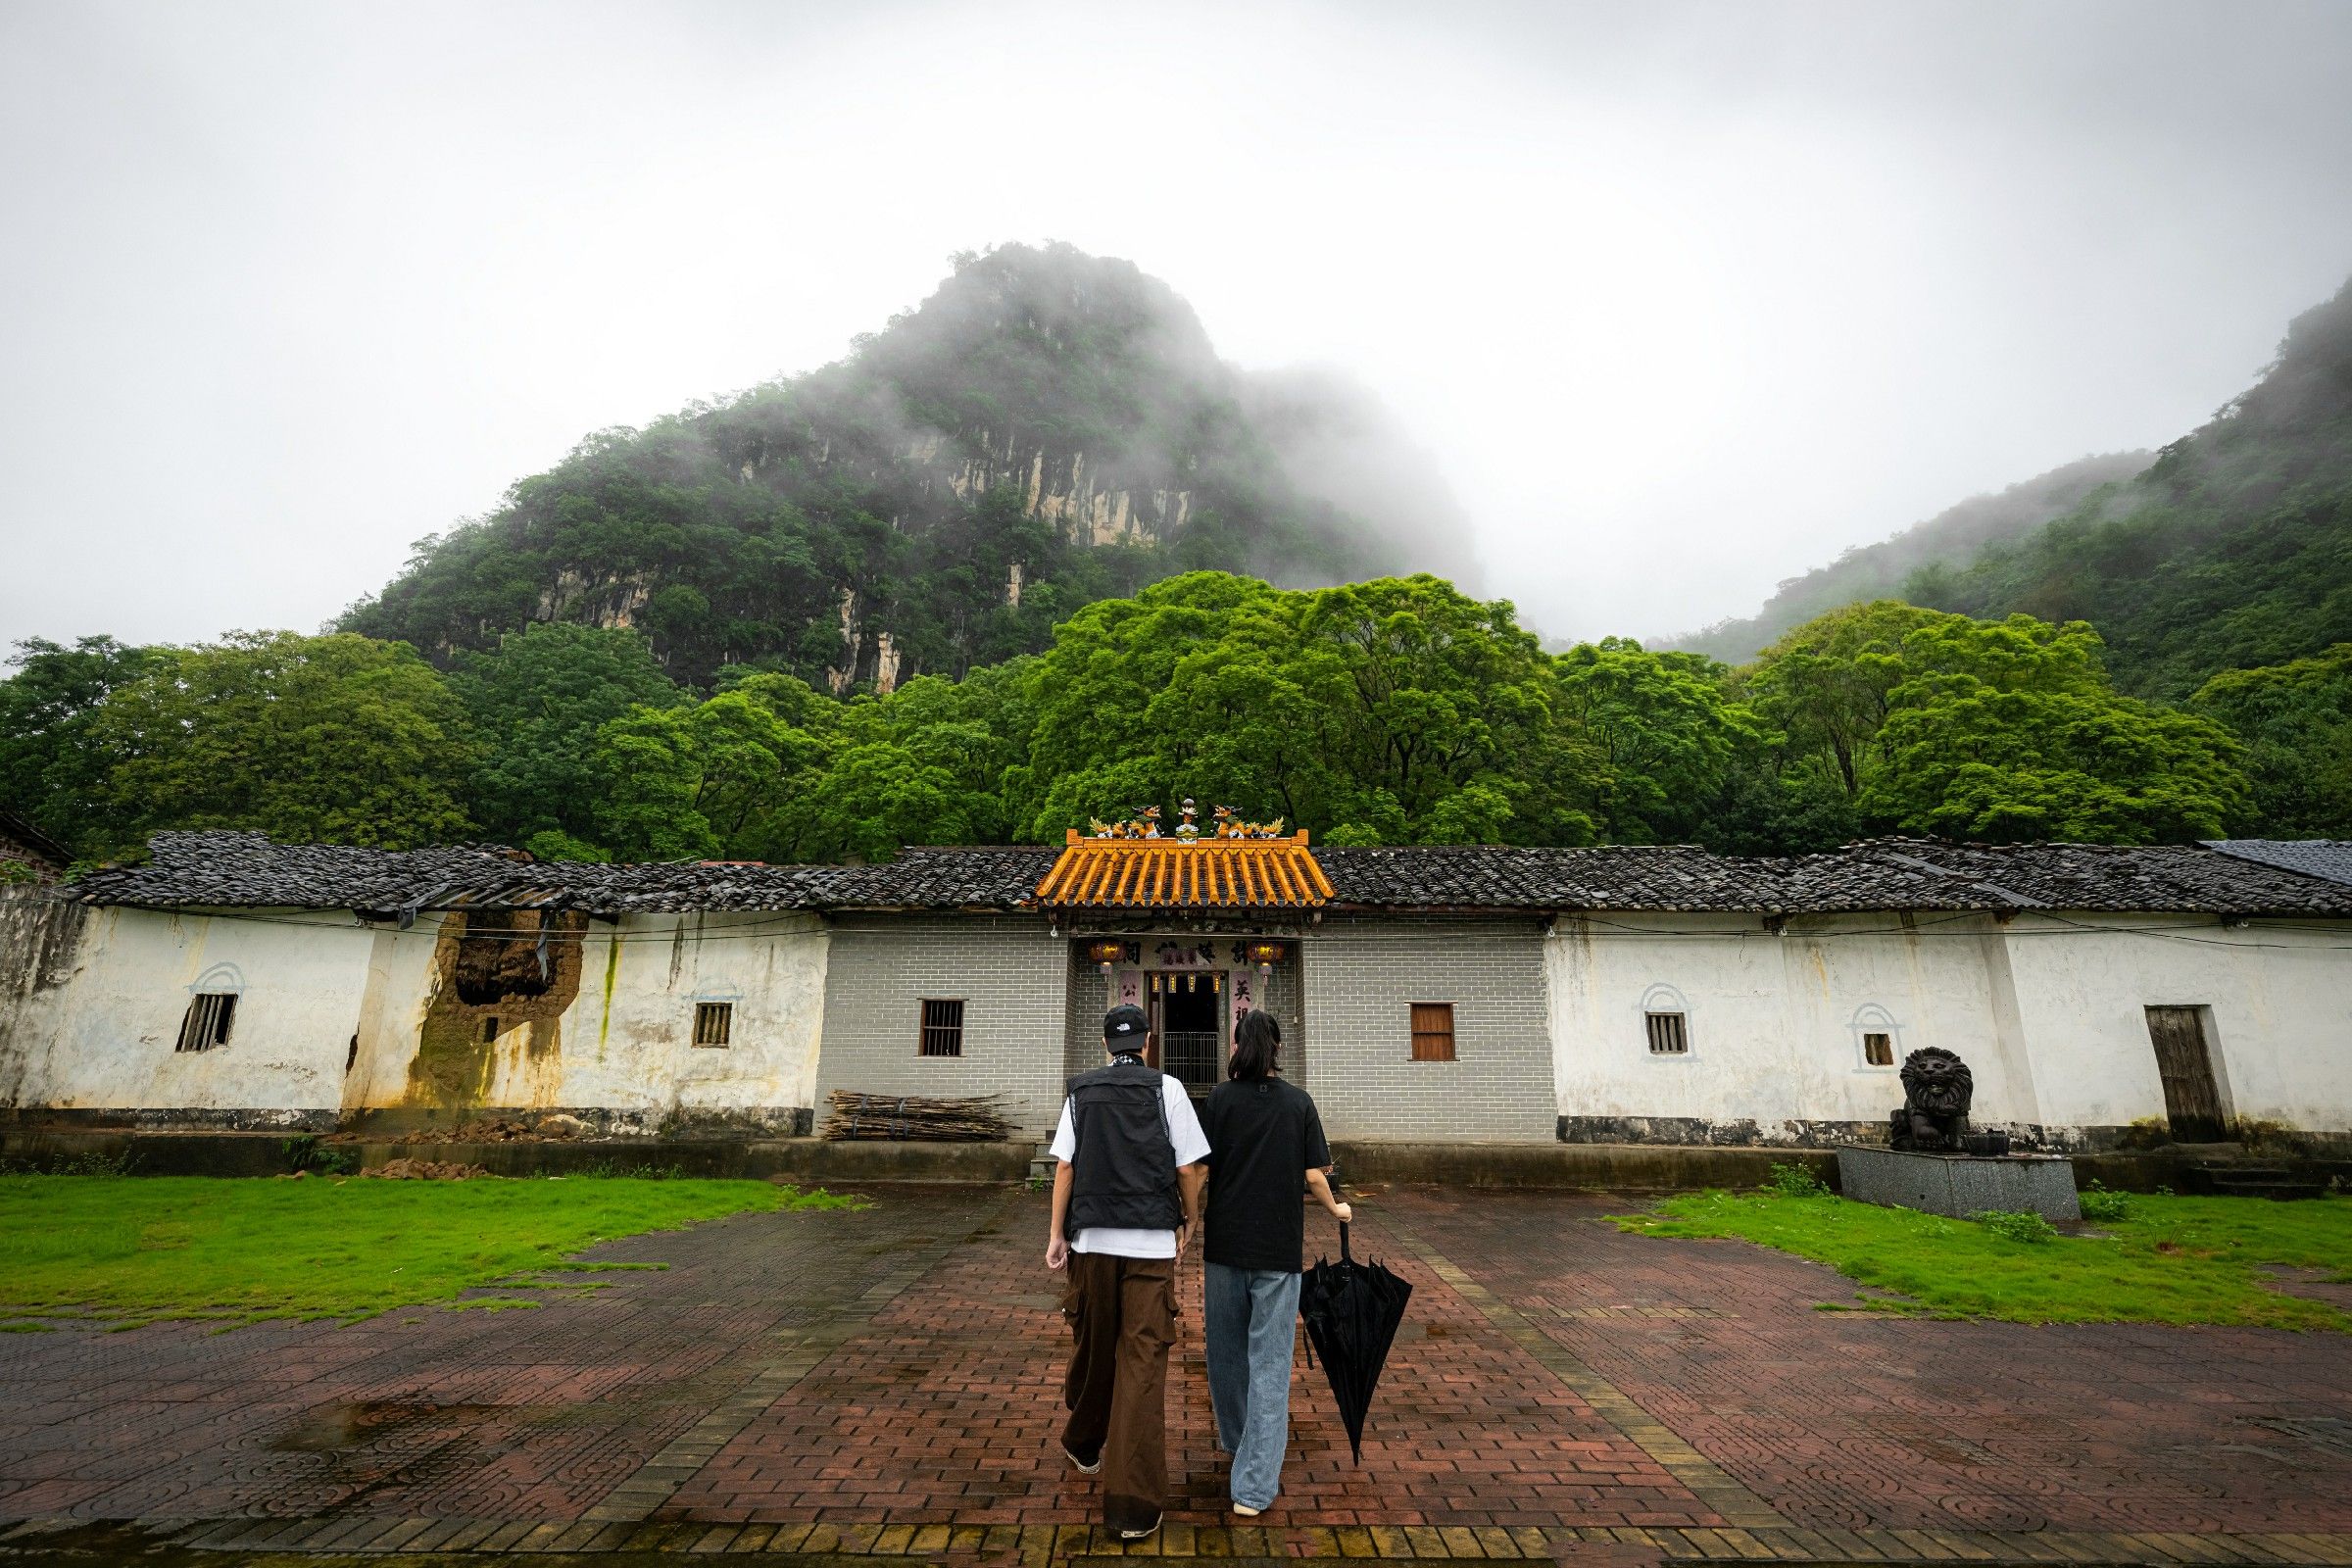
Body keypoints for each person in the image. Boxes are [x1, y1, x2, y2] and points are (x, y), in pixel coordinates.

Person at [1046, 1003, 1209, 1541]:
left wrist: (1056, 1235)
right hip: (1150, 1245)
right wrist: (1189, 1219)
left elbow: (1065, 1165)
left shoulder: (1081, 1091)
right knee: (1142, 1361)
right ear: (1147, 1043)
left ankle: (1083, 1443)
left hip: (1092, 1239)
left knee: (1095, 1341)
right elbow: (1188, 1168)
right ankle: (1131, 1506)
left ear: (1103, 1045)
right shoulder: (1169, 1089)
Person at [1199, 1007, 1349, 1517]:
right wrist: (1337, 1208)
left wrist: (1188, 1224)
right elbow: (1314, 1174)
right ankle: (1254, 1486)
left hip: (1224, 1248)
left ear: (1236, 1047)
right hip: (1279, 1252)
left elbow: (1198, 1172)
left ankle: (1238, 1444)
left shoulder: (1219, 1100)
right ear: (1278, 1050)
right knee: (1270, 1365)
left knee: (1223, 1356)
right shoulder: (1298, 1104)